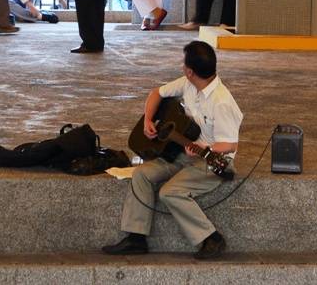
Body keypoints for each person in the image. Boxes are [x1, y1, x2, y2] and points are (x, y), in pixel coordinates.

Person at [102, 40, 242, 259]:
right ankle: (136, 238)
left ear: (190, 71)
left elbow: (230, 144)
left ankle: (211, 238)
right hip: (184, 154)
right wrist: (148, 120)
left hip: (213, 160)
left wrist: (205, 147)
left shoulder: (222, 101)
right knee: (141, 174)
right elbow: (156, 93)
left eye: (184, 64)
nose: (182, 67)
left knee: (170, 192)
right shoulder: (189, 83)